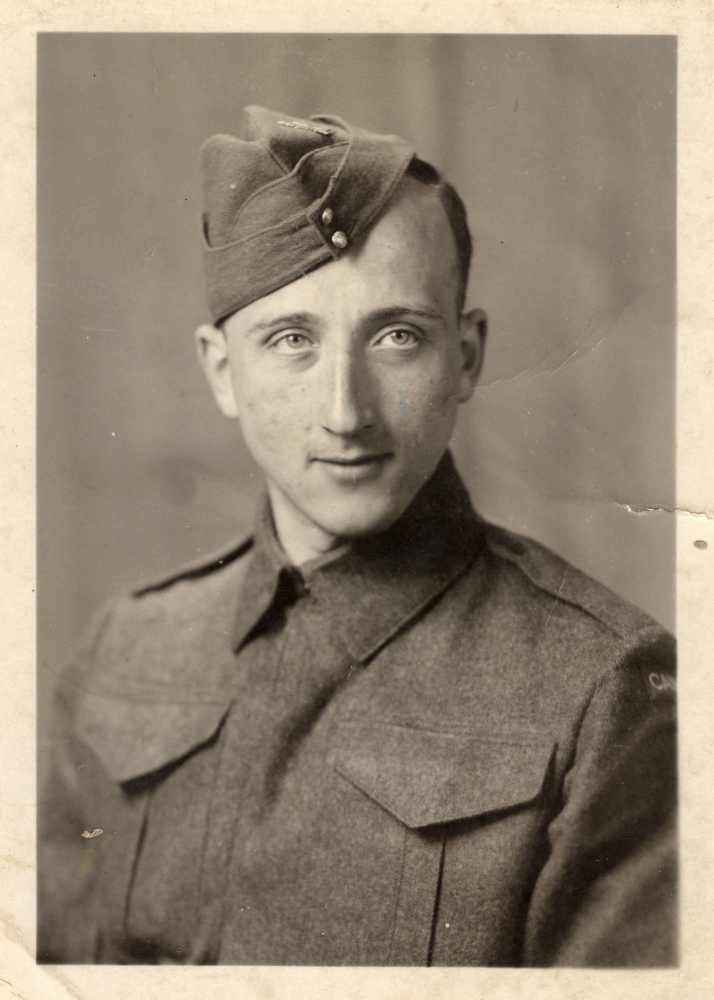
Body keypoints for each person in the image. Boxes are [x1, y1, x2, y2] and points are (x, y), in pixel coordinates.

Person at [38, 106, 677, 967]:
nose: (346, 412)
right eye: (292, 340)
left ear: (468, 358)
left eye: (398, 336)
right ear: (222, 371)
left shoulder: (605, 688)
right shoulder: (126, 649)